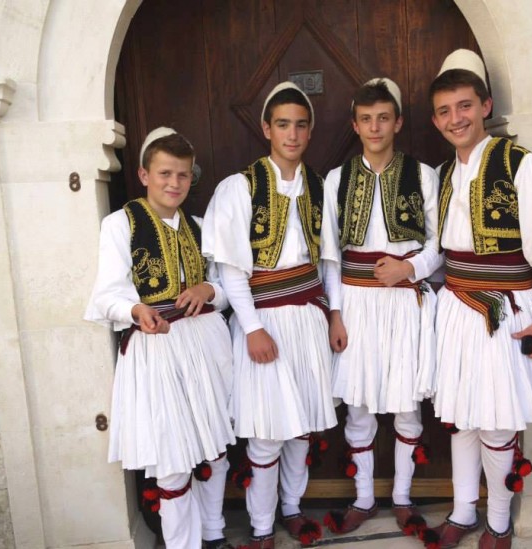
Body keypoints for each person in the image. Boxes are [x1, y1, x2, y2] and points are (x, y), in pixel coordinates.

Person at [423, 50, 532, 549]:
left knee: (495, 423)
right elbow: (439, 251)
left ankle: (497, 521)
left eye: (465, 106)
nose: (457, 118)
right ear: (435, 119)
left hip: (507, 310)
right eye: (446, 111)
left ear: (486, 105)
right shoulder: (445, 175)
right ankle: (463, 510)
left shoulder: (524, 166)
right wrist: (407, 272)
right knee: (462, 417)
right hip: (456, 308)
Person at [84, 128, 236, 549]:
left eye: (183, 175)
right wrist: (135, 310)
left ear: (192, 178)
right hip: (157, 349)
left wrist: (209, 290)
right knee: (172, 456)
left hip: (205, 345)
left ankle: (213, 534)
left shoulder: (201, 227)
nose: (174, 183)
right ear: (144, 174)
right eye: (165, 173)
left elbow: (226, 287)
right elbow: (107, 294)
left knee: (215, 447)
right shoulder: (121, 224)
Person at [202, 82, 337, 549]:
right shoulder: (239, 187)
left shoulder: (318, 187)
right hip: (263, 322)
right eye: (283, 124)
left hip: (308, 320)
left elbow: (329, 263)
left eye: (301, 125)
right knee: (266, 433)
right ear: (266, 128)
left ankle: (294, 508)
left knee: (300, 428)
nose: (293, 134)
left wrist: (333, 316)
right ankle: (261, 527)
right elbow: (231, 270)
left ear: (310, 130)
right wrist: (254, 328)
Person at [320, 78, 442, 538]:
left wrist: (410, 269)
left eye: (383, 118)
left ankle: (405, 499)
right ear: (355, 124)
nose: (375, 127)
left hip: (405, 302)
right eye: (366, 119)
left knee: (407, 404)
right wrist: (335, 313)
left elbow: (440, 245)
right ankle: (365, 498)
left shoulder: (423, 174)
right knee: (360, 405)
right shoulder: (337, 179)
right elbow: (330, 254)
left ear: (398, 122)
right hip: (355, 303)